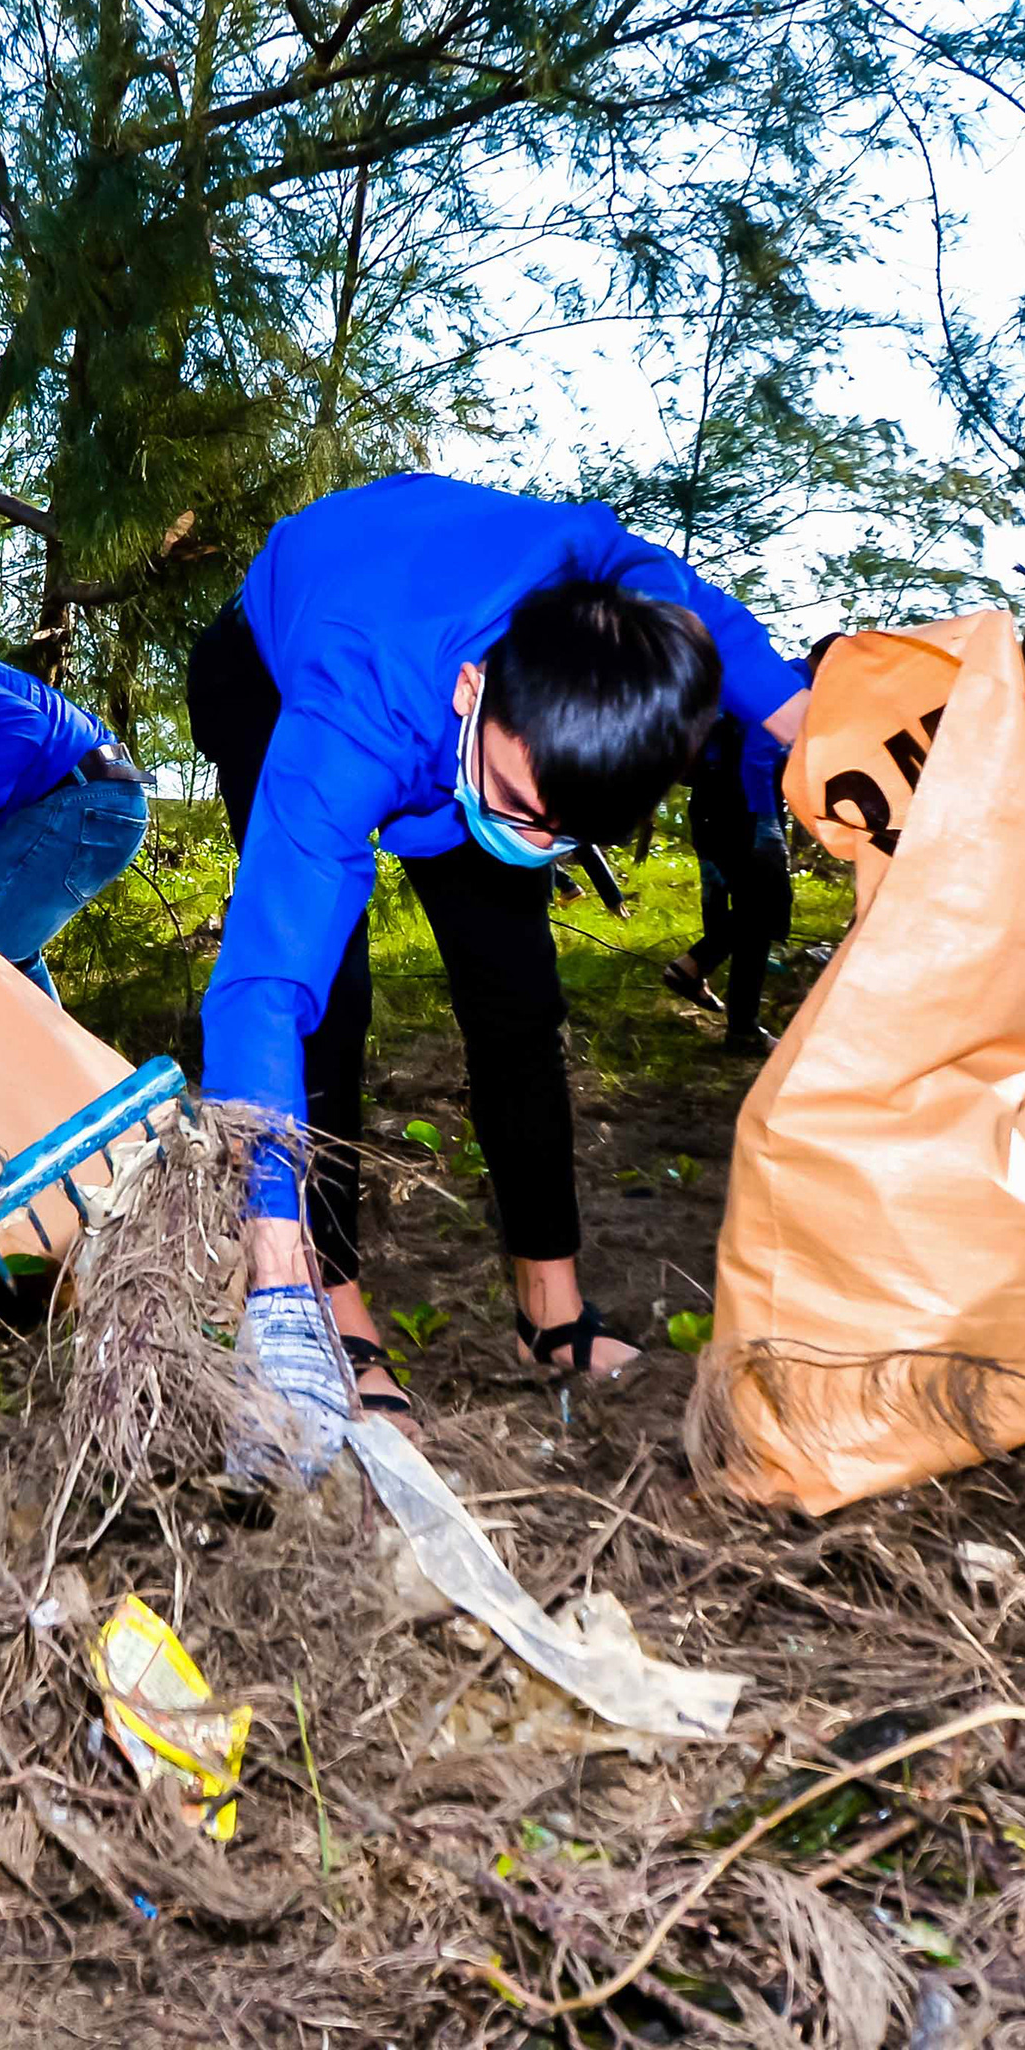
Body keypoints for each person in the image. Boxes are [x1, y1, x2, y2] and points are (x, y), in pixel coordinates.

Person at [190, 474, 807, 1437]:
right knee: (328, 1002)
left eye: (566, 831)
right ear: (476, 691)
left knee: (518, 996)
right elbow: (261, 989)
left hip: (470, 690)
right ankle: (330, 1300)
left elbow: (711, 628)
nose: (534, 839)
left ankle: (548, 1309)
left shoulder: (606, 595)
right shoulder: (354, 714)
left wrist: (806, 725)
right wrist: (272, 1262)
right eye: (521, 811)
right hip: (273, 667)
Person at [0, 638, 147, 998]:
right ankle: (70, 1056)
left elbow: (19, 726)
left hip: (81, 798)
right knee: (6, 961)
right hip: (96, 797)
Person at [662, 713, 790, 1055]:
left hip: (720, 810)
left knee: (757, 917)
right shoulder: (788, 690)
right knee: (764, 912)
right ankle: (695, 971)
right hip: (742, 814)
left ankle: (740, 1026)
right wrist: (767, 823)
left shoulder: (757, 690)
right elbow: (760, 755)